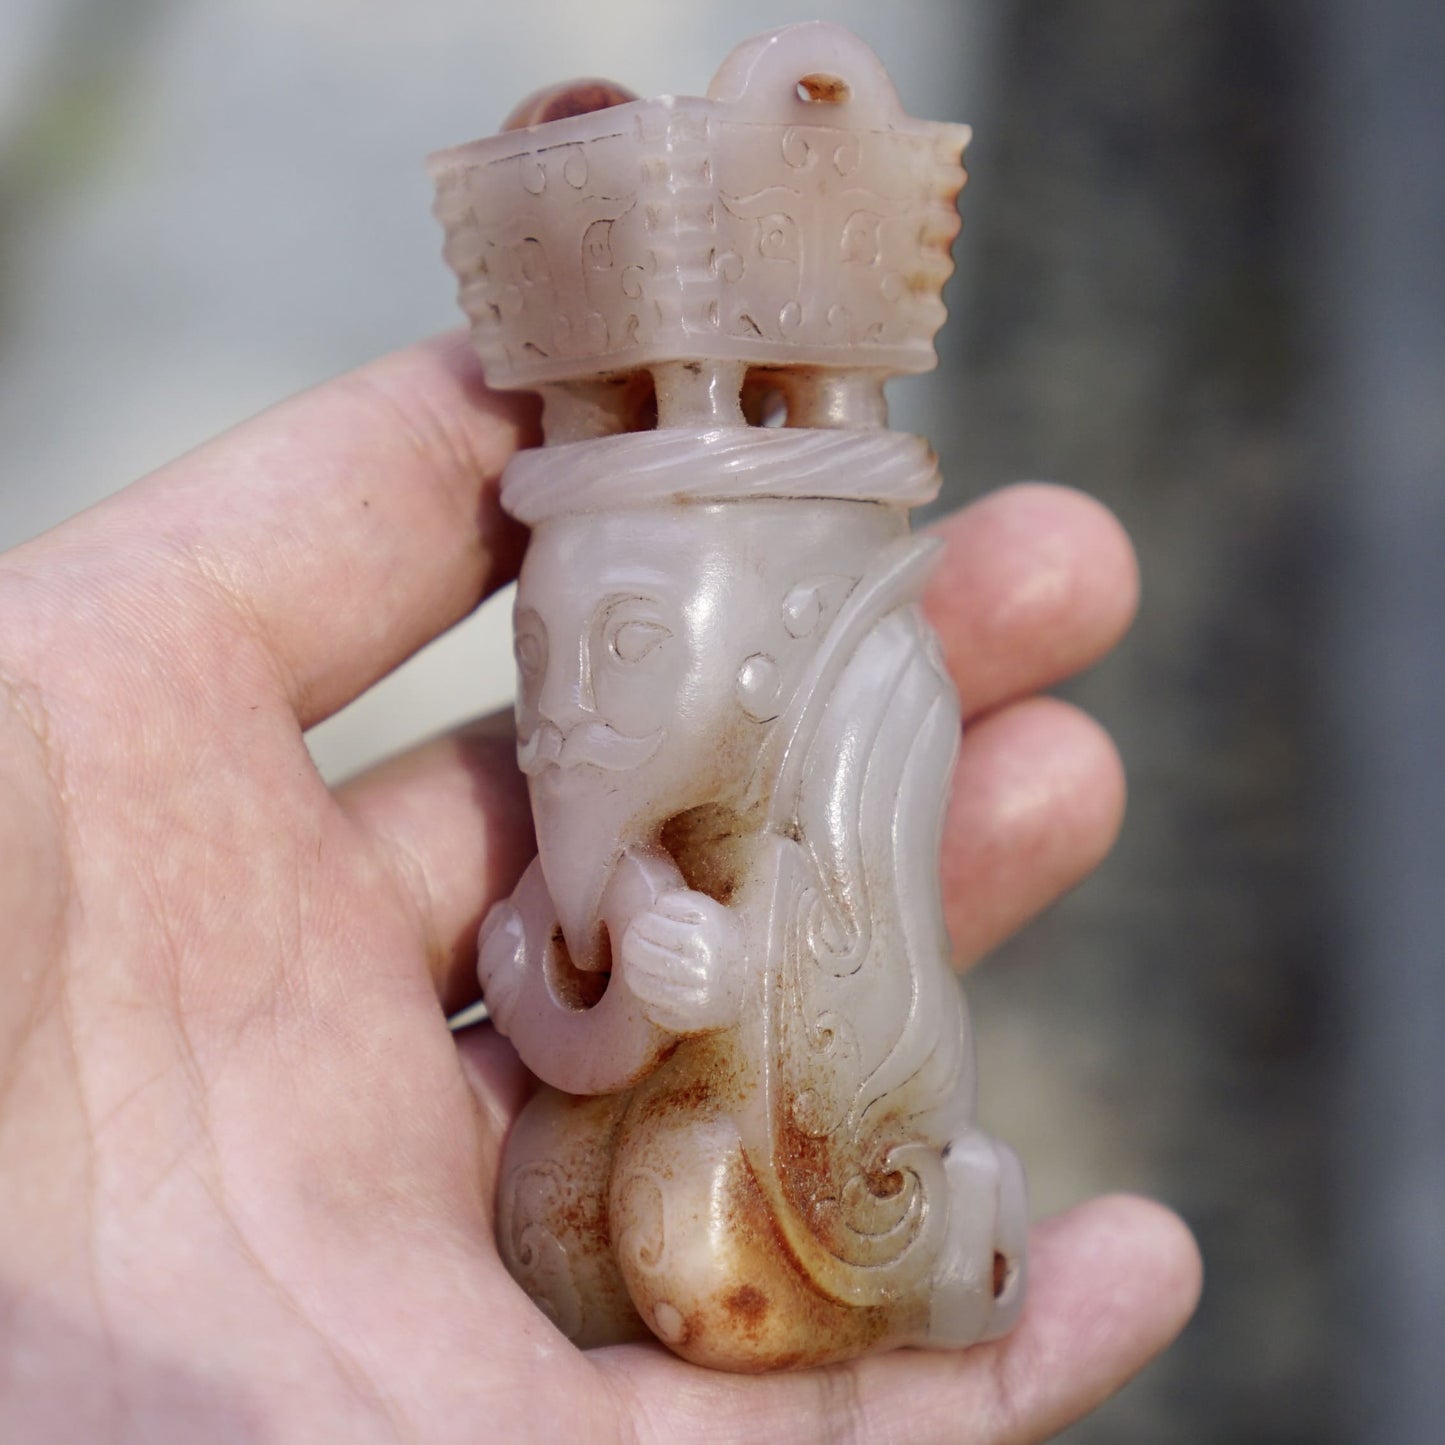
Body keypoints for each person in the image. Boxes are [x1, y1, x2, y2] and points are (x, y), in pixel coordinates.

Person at [0, 332, 1200, 1442]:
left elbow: (871, 959)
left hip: (805, 1131)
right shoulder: (606, 838)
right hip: (642, 1091)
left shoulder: (867, 709)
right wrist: (532, 988)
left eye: (627, 650)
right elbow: (578, 1026)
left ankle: (936, 1240)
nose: (563, 711)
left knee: (691, 1234)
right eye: (540, 660)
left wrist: (736, 975)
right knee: (547, 1217)